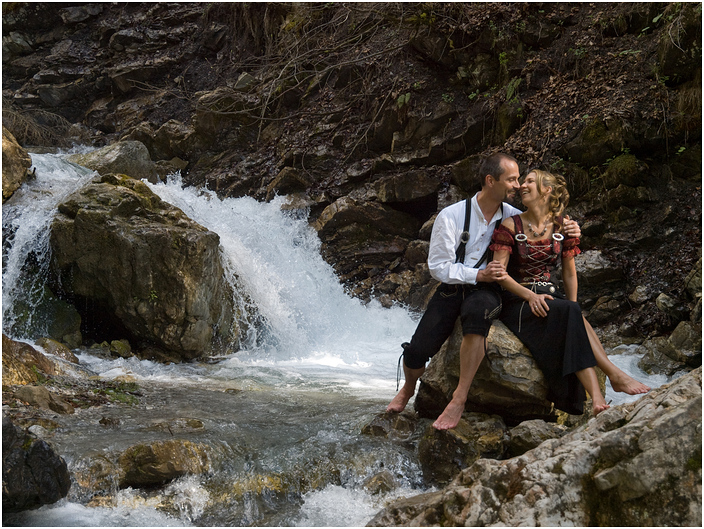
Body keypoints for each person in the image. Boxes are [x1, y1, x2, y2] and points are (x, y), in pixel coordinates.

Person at [386, 153, 582, 430]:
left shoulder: (515, 217)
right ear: (491, 181)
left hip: (489, 291)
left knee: (477, 317)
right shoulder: (451, 215)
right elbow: (438, 267)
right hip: (454, 288)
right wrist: (477, 273)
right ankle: (407, 388)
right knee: (417, 350)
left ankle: (459, 398)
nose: (517, 186)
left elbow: (549, 223)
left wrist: (572, 227)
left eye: (519, 179)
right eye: (511, 179)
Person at [490, 169, 650, 416]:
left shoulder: (563, 225)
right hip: (518, 300)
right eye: (523, 181)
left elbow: (569, 273)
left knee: (572, 312)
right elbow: (500, 274)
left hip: (552, 298)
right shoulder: (510, 225)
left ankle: (598, 398)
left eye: (530, 181)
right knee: (570, 312)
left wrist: (574, 310)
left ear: (547, 190)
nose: (523, 185)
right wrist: (530, 296)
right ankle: (611, 378)